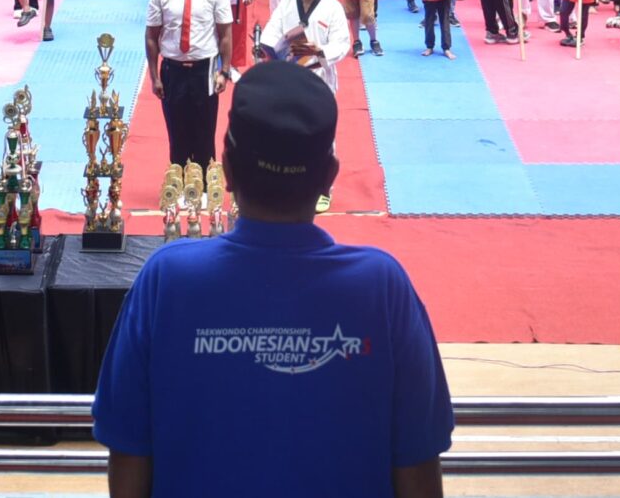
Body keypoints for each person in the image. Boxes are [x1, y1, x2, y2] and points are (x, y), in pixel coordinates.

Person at [91, 61, 454, 498]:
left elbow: (128, 459)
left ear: (225, 169)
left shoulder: (166, 280)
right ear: (330, 177)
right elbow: (418, 472)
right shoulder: (383, 287)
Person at [146, 0, 234, 170]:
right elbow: (151, 37)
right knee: (177, 134)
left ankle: (205, 184)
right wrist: (154, 77)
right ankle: (178, 181)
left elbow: (225, 34)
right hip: (172, 70)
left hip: (204, 71)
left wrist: (224, 72)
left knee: (205, 133)